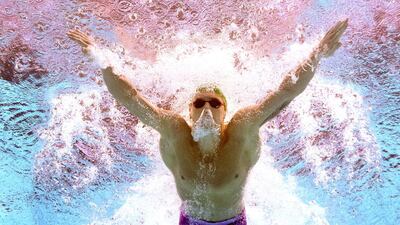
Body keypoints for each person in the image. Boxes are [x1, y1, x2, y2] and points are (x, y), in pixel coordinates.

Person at [67, 19, 348, 225]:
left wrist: (318, 52)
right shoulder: (174, 130)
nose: (206, 107)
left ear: (225, 111)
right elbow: (130, 98)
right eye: (198, 103)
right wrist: (101, 59)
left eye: (214, 103)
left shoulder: (242, 128)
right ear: (189, 111)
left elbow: (284, 91)